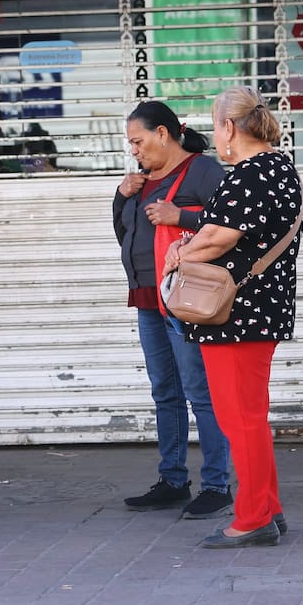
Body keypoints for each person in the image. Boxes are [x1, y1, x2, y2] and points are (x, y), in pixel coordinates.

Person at [163, 86, 303, 548]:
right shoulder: (281, 167)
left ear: (228, 127)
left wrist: (178, 254)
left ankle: (252, 518)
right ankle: (269, 509)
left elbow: (218, 238)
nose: (214, 135)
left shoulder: (250, 173)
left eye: (214, 123)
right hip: (262, 310)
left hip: (237, 315)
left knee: (238, 419)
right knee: (251, 417)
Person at [113, 101, 233, 519]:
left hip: (186, 300)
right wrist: (120, 195)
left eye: (139, 141)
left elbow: (231, 224)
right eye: (131, 144)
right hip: (148, 296)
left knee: (201, 392)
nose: (135, 151)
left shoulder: (203, 171)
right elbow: (125, 232)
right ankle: (173, 480)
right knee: (165, 391)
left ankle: (218, 484)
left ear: (164, 134)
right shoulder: (143, 179)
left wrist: (179, 214)